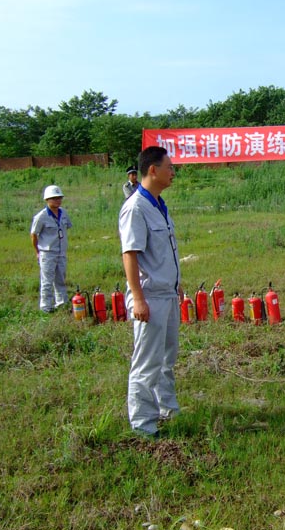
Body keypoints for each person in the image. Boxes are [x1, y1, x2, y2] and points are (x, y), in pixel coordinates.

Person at [119, 146, 182, 438]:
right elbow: (130, 255)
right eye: (169, 167)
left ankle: (167, 408)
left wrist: (176, 284)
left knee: (167, 357)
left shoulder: (159, 204)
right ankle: (144, 423)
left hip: (167, 294)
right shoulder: (135, 207)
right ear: (153, 170)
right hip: (150, 298)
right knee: (147, 362)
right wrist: (139, 300)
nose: (173, 172)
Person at [30, 185, 73, 313]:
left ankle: (61, 304)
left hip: (61, 252)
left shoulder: (63, 213)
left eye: (59, 198)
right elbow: (34, 234)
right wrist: (37, 252)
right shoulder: (41, 216)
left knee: (60, 279)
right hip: (47, 253)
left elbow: (67, 227)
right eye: (54, 198)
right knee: (47, 281)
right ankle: (46, 308)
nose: (57, 201)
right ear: (47, 200)